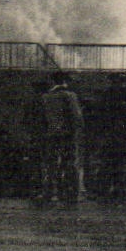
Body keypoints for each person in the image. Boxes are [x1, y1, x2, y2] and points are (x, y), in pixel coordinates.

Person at [40, 74, 85, 203]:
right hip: (67, 134)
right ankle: (71, 192)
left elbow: (42, 118)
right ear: (65, 81)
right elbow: (77, 116)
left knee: (51, 163)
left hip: (51, 134)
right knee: (70, 163)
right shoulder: (70, 96)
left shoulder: (46, 96)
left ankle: (50, 191)